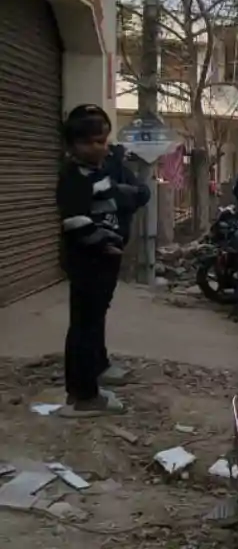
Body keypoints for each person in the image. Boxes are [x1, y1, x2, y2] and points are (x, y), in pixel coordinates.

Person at [63, 105, 150, 395]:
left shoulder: (102, 169)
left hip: (105, 256)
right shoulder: (75, 177)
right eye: (90, 142)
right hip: (89, 259)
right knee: (84, 325)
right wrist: (102, 243)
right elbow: (75, 221)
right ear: (73, 144)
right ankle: (83, 394)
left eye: (102, 141)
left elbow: (133, 195)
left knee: (94, 319)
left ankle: (93, 375)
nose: (99, 147)